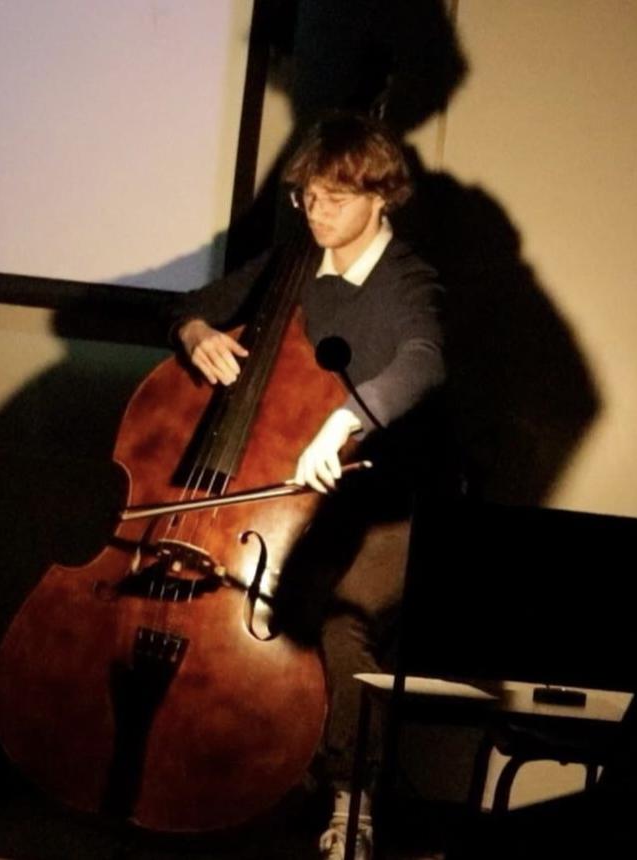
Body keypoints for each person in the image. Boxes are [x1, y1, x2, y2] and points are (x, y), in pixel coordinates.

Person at [170, 113, 447, 860]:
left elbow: (422, 362)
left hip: (381, 504)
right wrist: (198, 335)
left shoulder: (407, 281)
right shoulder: (291, 262)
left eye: (334, 199)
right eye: (308, 198)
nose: (316, 212)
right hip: (284, 500)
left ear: (379, 199)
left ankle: (352, 800)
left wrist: (345, 421)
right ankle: (231, 774)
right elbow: (191, 303)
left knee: (341, 620)